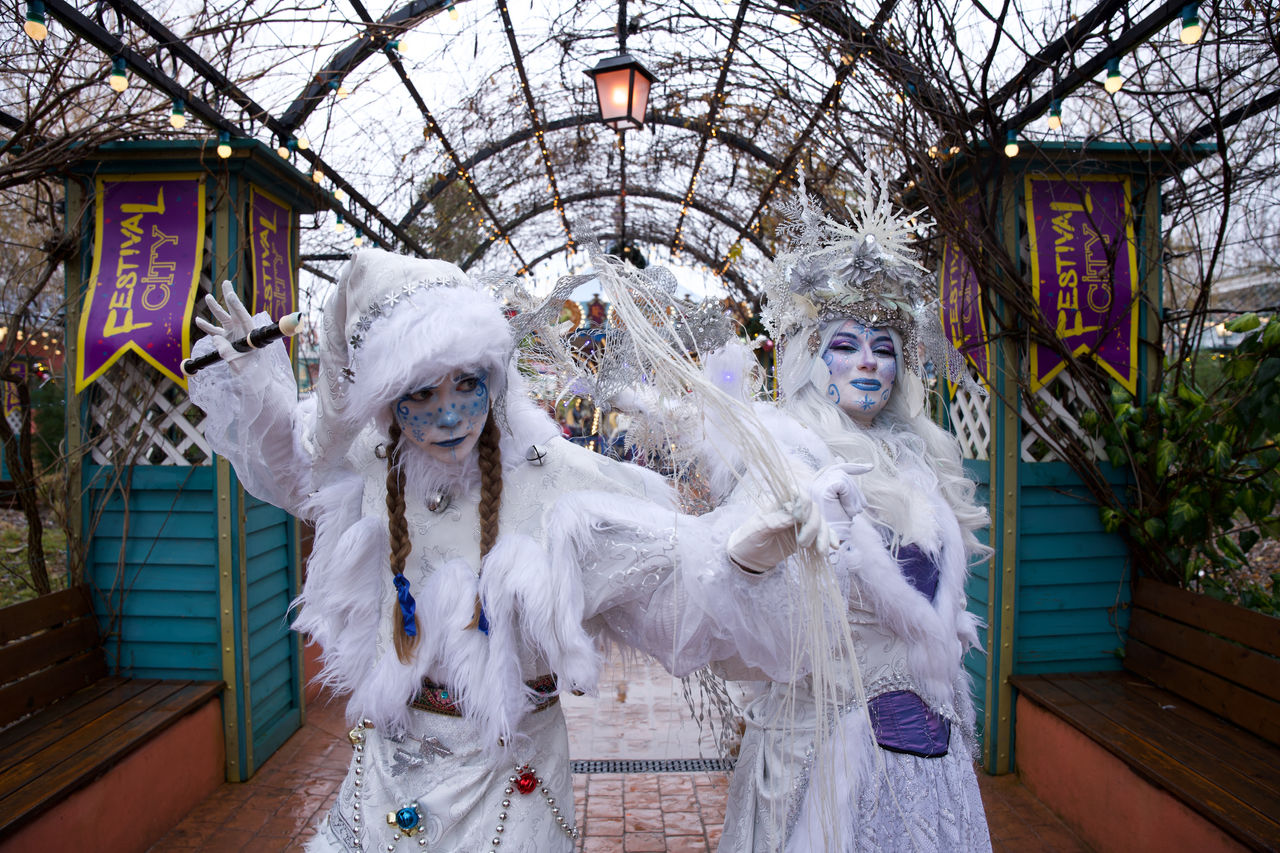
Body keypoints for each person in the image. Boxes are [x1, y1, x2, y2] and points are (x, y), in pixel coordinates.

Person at [187, 249, 821, 853]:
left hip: (509, 776)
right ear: (388, 405)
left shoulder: (558, 481)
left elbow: (668, 598)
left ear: (495, 376)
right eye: (419, 394)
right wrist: (254, 385)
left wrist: (743, 554)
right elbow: (294, 466)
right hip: (388, 767)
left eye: (465, 384)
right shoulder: (378, 466)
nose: (447, 416)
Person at [715, 183, 993, 852]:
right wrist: (779, 531)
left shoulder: (923, 460)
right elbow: (734, 580)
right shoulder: (786, 453)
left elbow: (936, 595)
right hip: (825, 751)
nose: (869, 360)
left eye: (885, 346)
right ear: (818, 358)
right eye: (848, 343)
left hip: (930, 750)